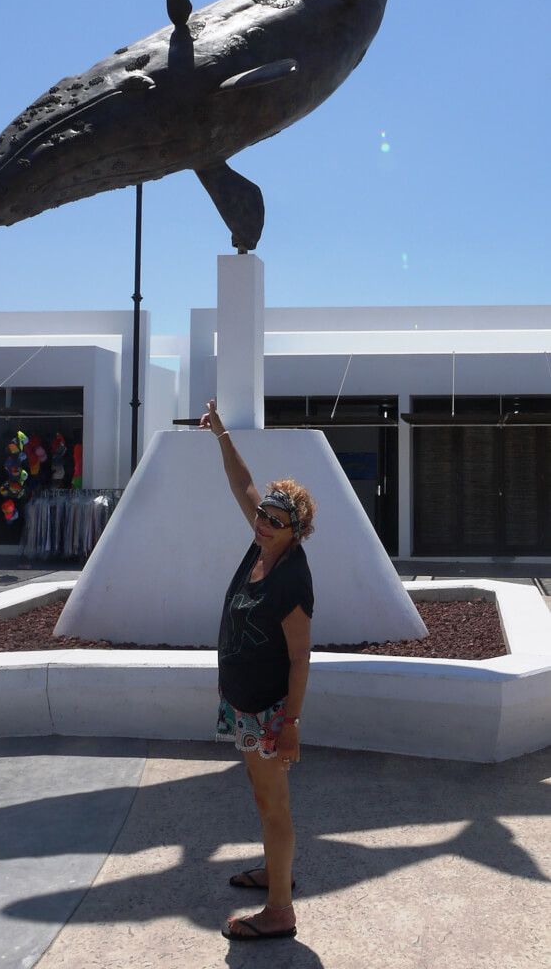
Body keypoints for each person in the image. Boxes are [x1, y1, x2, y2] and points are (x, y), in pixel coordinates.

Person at [199, 400, 316, 942]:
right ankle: (275, 873)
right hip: (245, 701)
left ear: (296, 532)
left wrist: (291, 724)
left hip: (270, 710)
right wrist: (221, 434)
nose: (262, 522)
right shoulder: (261, 545)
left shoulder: (291, 579)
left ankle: (279, 911)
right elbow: (242, 482)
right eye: (262, 514)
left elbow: (300, 658)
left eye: (274, 520)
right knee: (261, 791)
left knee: (274, 803)